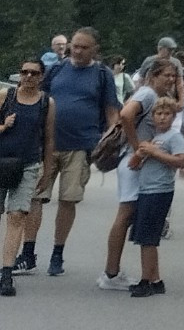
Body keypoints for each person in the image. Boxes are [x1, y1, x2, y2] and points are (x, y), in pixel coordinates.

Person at [18, 26, 121, 278]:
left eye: (83, 47)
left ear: (95, 49)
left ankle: (57, 252)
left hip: (81, 146)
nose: (77, 50)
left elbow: (111, 111)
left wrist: (112, 138)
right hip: (47, 145)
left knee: (68, 199)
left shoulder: (102, 75)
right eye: (75, 45)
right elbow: (39, 100)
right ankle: (28, 253)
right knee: (35, 198)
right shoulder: (57, 69)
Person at [100, 55, 184, 290]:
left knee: (132, 217)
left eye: (173, 76)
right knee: (126, 215)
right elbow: (126, 115)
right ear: (152, 75)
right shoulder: (147, 94)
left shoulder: (158, 97)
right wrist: (137, 146)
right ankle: (111, 273)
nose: (170, 80)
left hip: (141, 161)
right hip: (133, 161)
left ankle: (132, 273)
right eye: (165, 75)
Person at [122, 74, 184, 298]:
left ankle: (146, 280)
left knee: (148, 238)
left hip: (159, 191)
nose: (162, 118)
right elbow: (140, 160)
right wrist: (140, 156)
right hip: (145, 190)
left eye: (167, 114)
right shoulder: (153, 138)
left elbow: (180, 161)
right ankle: (155, 279)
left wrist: (156, 153)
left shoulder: (174, 137)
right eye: (158, 114)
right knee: (143, 238)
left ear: (173, 116)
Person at [0, 57, 55, 295]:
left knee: (17, 216)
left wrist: (48, 170)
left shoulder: (46, 103)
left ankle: (6, 273)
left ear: (41, 77)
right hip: (1, 162)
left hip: (28, 165)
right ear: (19, 75)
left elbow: (49, 138)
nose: (29, 77)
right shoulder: (5, 96)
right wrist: (3, 127)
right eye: (25, 72)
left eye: (34, 73)